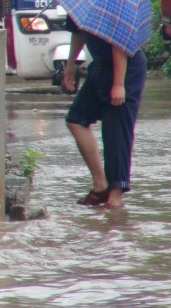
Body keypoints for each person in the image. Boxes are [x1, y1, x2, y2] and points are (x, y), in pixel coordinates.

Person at [61, 15, 146, 210]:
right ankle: (100, 184)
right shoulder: (80, 1)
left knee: (115, 131)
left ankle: (115, 198)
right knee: (76, 119)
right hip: (100, 66)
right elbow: (78, 32)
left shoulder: (113, 4)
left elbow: (120, 43)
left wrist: (118, 84)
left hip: (125, 68)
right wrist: (70, 66)